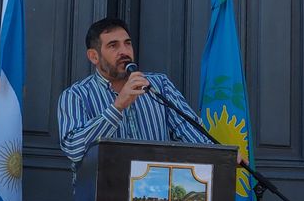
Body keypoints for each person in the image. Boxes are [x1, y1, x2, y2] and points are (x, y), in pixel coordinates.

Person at [57, 16, 210, 165]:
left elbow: (191, 133)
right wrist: (117, 107)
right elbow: (73, 149)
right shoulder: (76, 95)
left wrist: (221, 157)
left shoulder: (159, 84)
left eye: (127, 44)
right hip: (105, 188)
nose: (124, 51)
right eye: (113, 45)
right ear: (94, 56)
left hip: (156, 187)